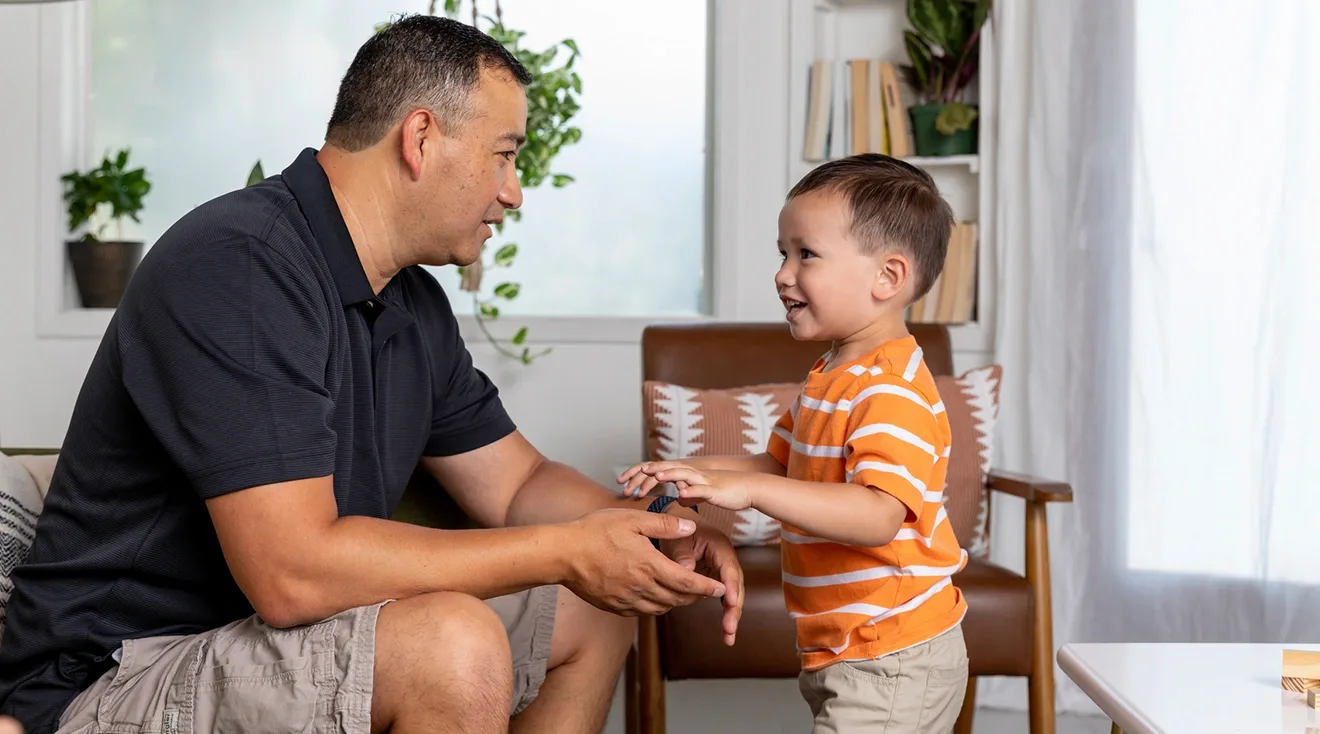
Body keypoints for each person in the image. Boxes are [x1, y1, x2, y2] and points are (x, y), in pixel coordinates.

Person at [0, 15, 743, 734]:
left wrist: (653, 531)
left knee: (592, 605)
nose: (514, 191)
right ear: (420, 138)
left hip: (253, 646)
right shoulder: (239, 265)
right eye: (504, 155)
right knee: (451, 644)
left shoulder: (411, 303)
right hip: (112, 676)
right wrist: (568, 551)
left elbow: (518, 484)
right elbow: (292, 574)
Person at [619, 154, 970, 733]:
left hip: (893, 651)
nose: (783, 274)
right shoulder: (832, 375)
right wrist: (688, 471)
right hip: (847, 646)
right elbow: (777, 464)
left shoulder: (891, 389)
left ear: (887, 277)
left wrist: (751, 491)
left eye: (806, 254)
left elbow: (878, 514)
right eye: (782, 253)